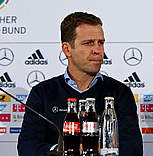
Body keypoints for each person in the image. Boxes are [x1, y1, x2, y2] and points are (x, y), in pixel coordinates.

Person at [17, 12, 143, 156]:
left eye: (100, 43)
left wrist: (93, 150)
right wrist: (59, 151)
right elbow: (27, 148)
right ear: (67, 49)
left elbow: (133, 149)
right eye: (89, 43)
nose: (97, 50)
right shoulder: (42, 92)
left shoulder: (120, 92)